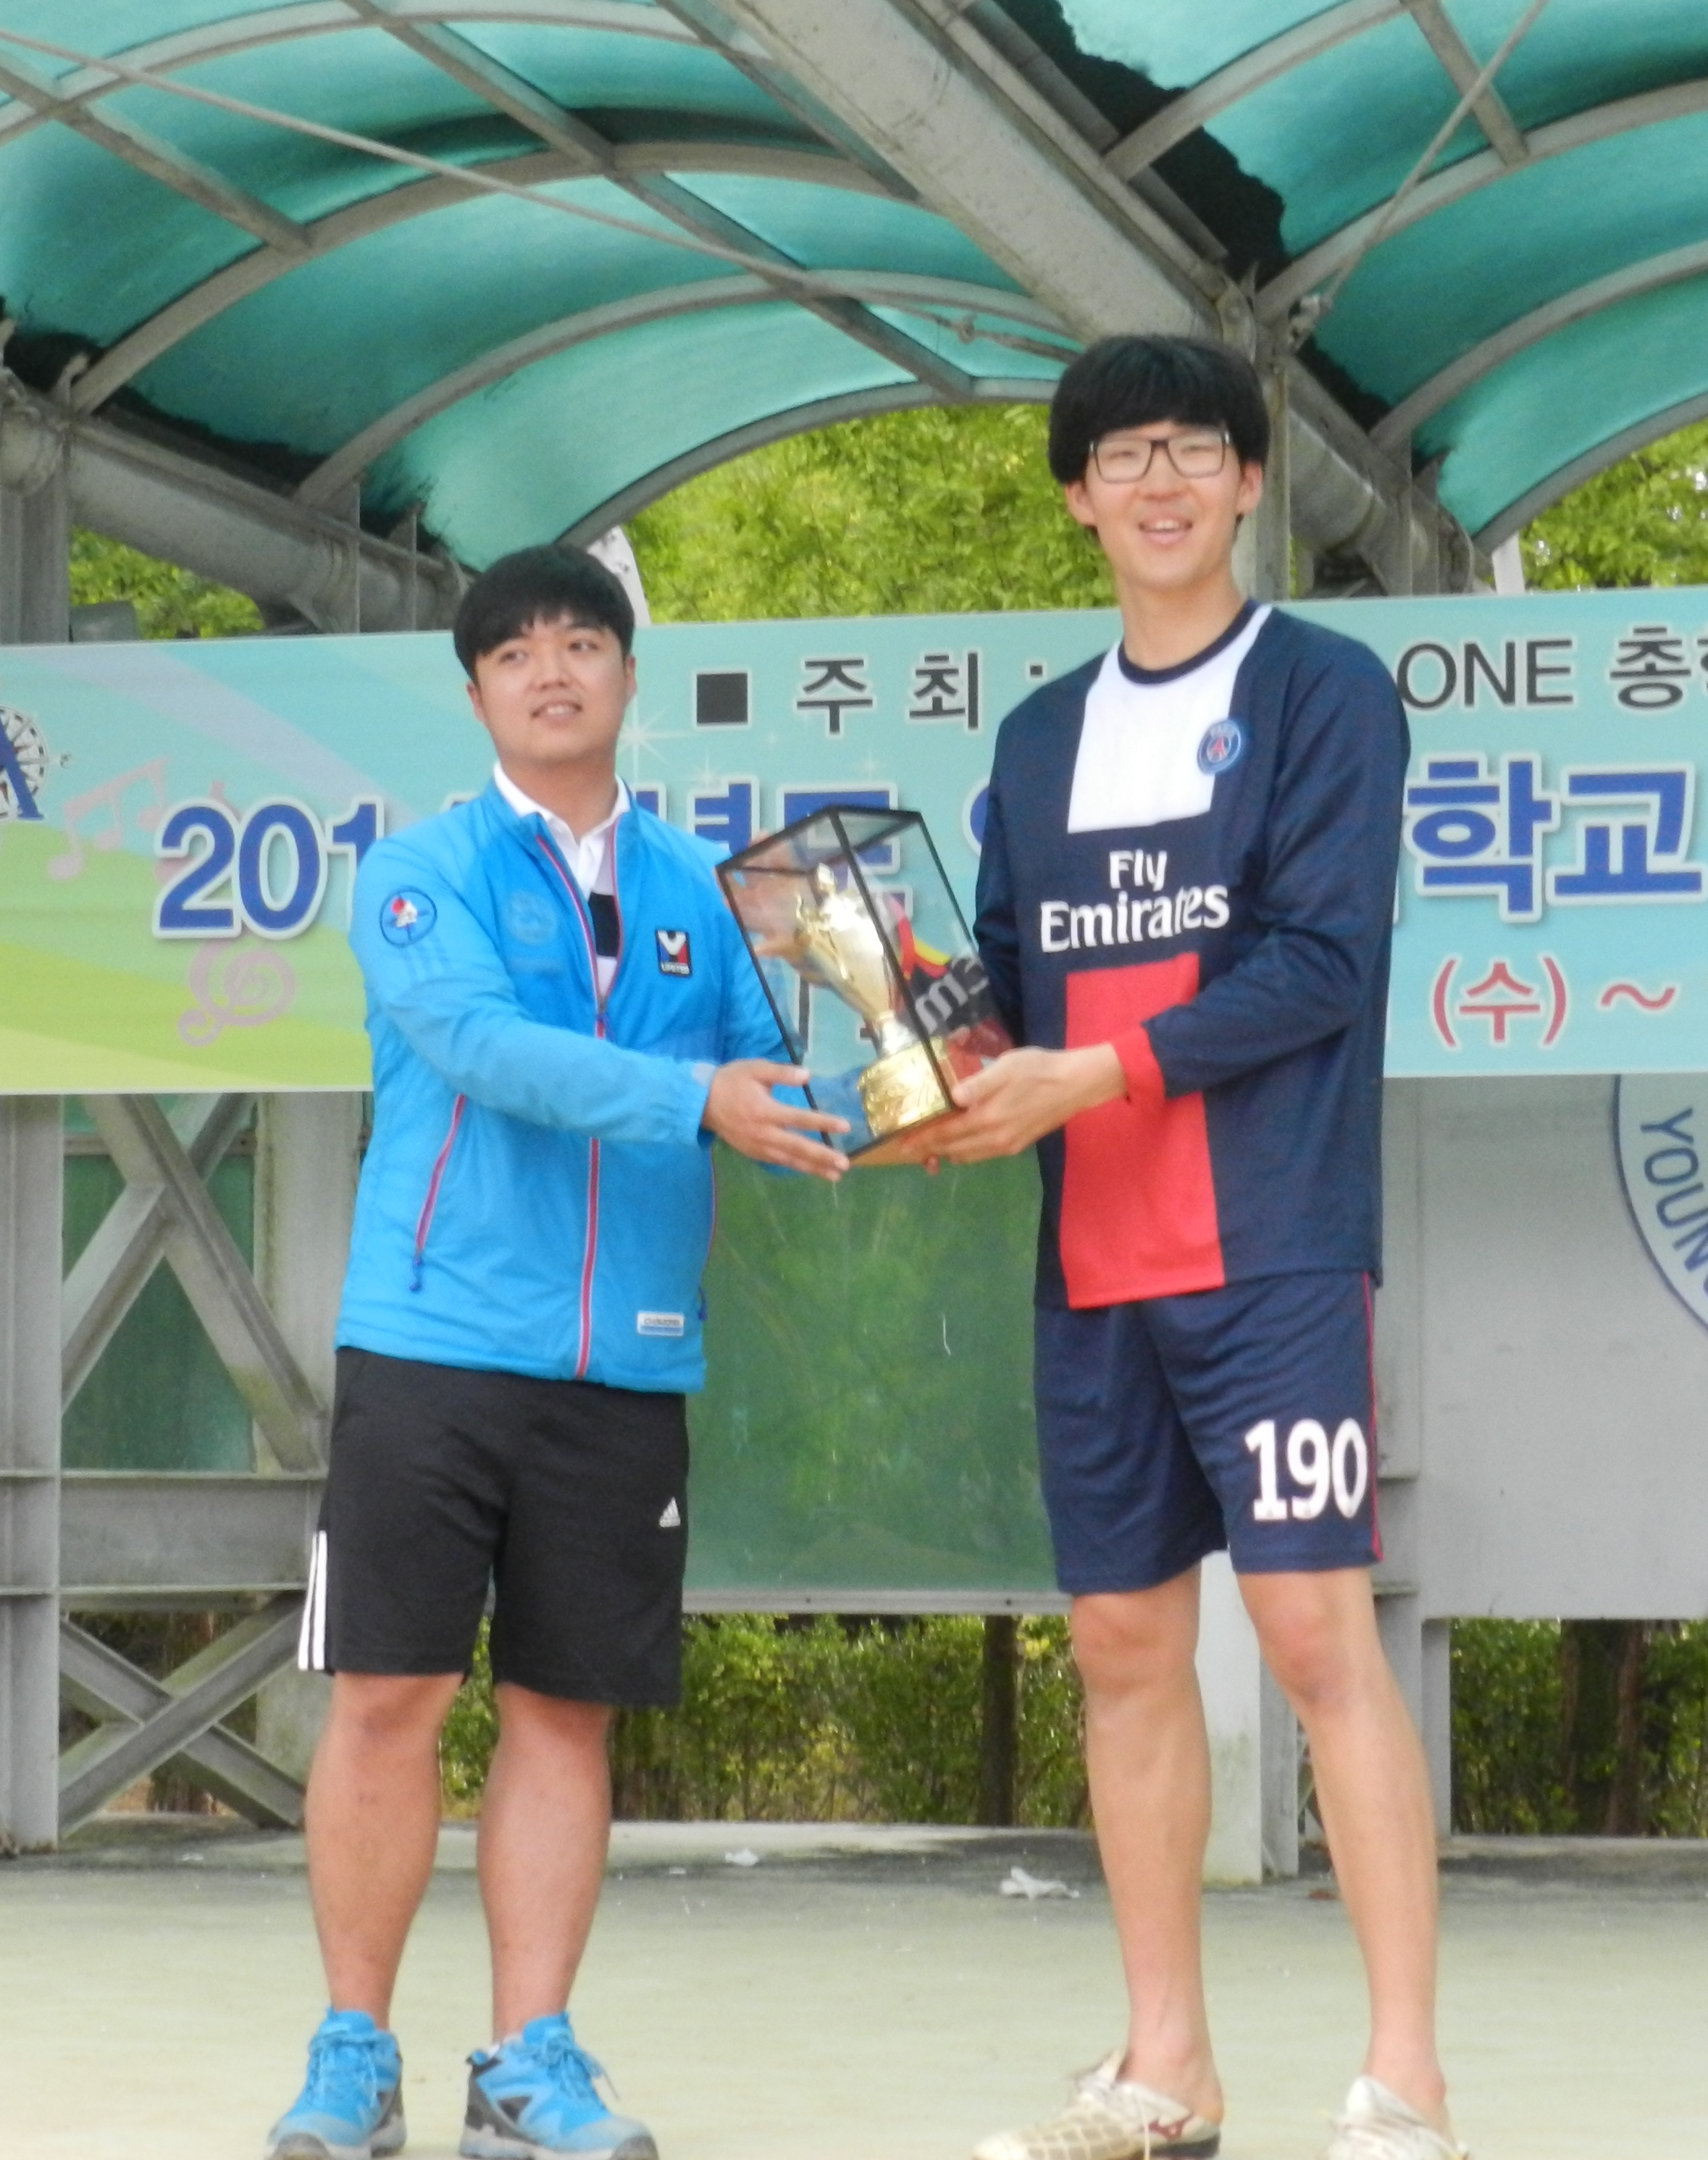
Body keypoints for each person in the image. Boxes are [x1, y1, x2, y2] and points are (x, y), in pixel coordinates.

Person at [918, 336, 1457, 2160]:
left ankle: (1403, 2083)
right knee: (1119, 1650)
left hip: (1275, 1245)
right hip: (1091, 1259)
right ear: (1076, 498)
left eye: (1191, 449)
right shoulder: (1035, 737)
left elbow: (1319, 964)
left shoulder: (1323, 693)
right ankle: (1165, 2071)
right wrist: (936, 1049)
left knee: (1312, 1632)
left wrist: (1093, 1072)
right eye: (1121, 455)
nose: (1157, 481)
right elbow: (1010, 977)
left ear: (1243, 482)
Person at [267, 544, 846, 2160]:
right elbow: (479, 1046)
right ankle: (351, 2051)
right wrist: (690, 1096)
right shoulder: (417, 871)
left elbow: (783, 1081)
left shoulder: (709, 894)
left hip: (627, 1366)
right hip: (432, 1346)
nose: (550, 670)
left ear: (625, 678)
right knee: (387, 1695)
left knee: (565, 1710)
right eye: (514, 651)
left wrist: (934, 1079)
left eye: (580, 642)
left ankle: (528, 2062)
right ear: (475, 694)